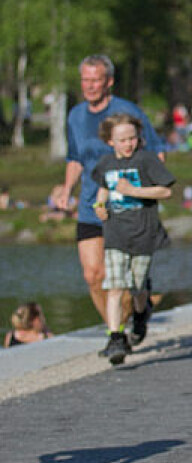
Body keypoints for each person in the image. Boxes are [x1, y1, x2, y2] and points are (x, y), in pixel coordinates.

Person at [56, 54, 165, 332]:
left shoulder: (127, 112)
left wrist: (147, 191)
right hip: (92, 206)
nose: (90, 86)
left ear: (109, 82)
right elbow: (75, 159)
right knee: (94, 275)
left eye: (96, 80)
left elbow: (155, 152)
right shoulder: (75, 115)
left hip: (127, 207)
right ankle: (115, 332)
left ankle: (135, 313)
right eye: (85, 80)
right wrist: (66, 190)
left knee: (126, 279)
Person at [92, 113, 175, 364]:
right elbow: (103, 189)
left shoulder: (146, 160)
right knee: (115, 287)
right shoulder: (106, 164)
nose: (128, 144)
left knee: (137, 287)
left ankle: (141, 314)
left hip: (143, 234)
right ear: (110, 141)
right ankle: (116, 337)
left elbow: (166, 190)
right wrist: (99, 205)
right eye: (122, 140)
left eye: (132, 138)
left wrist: (134, 191)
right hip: (115, 234)